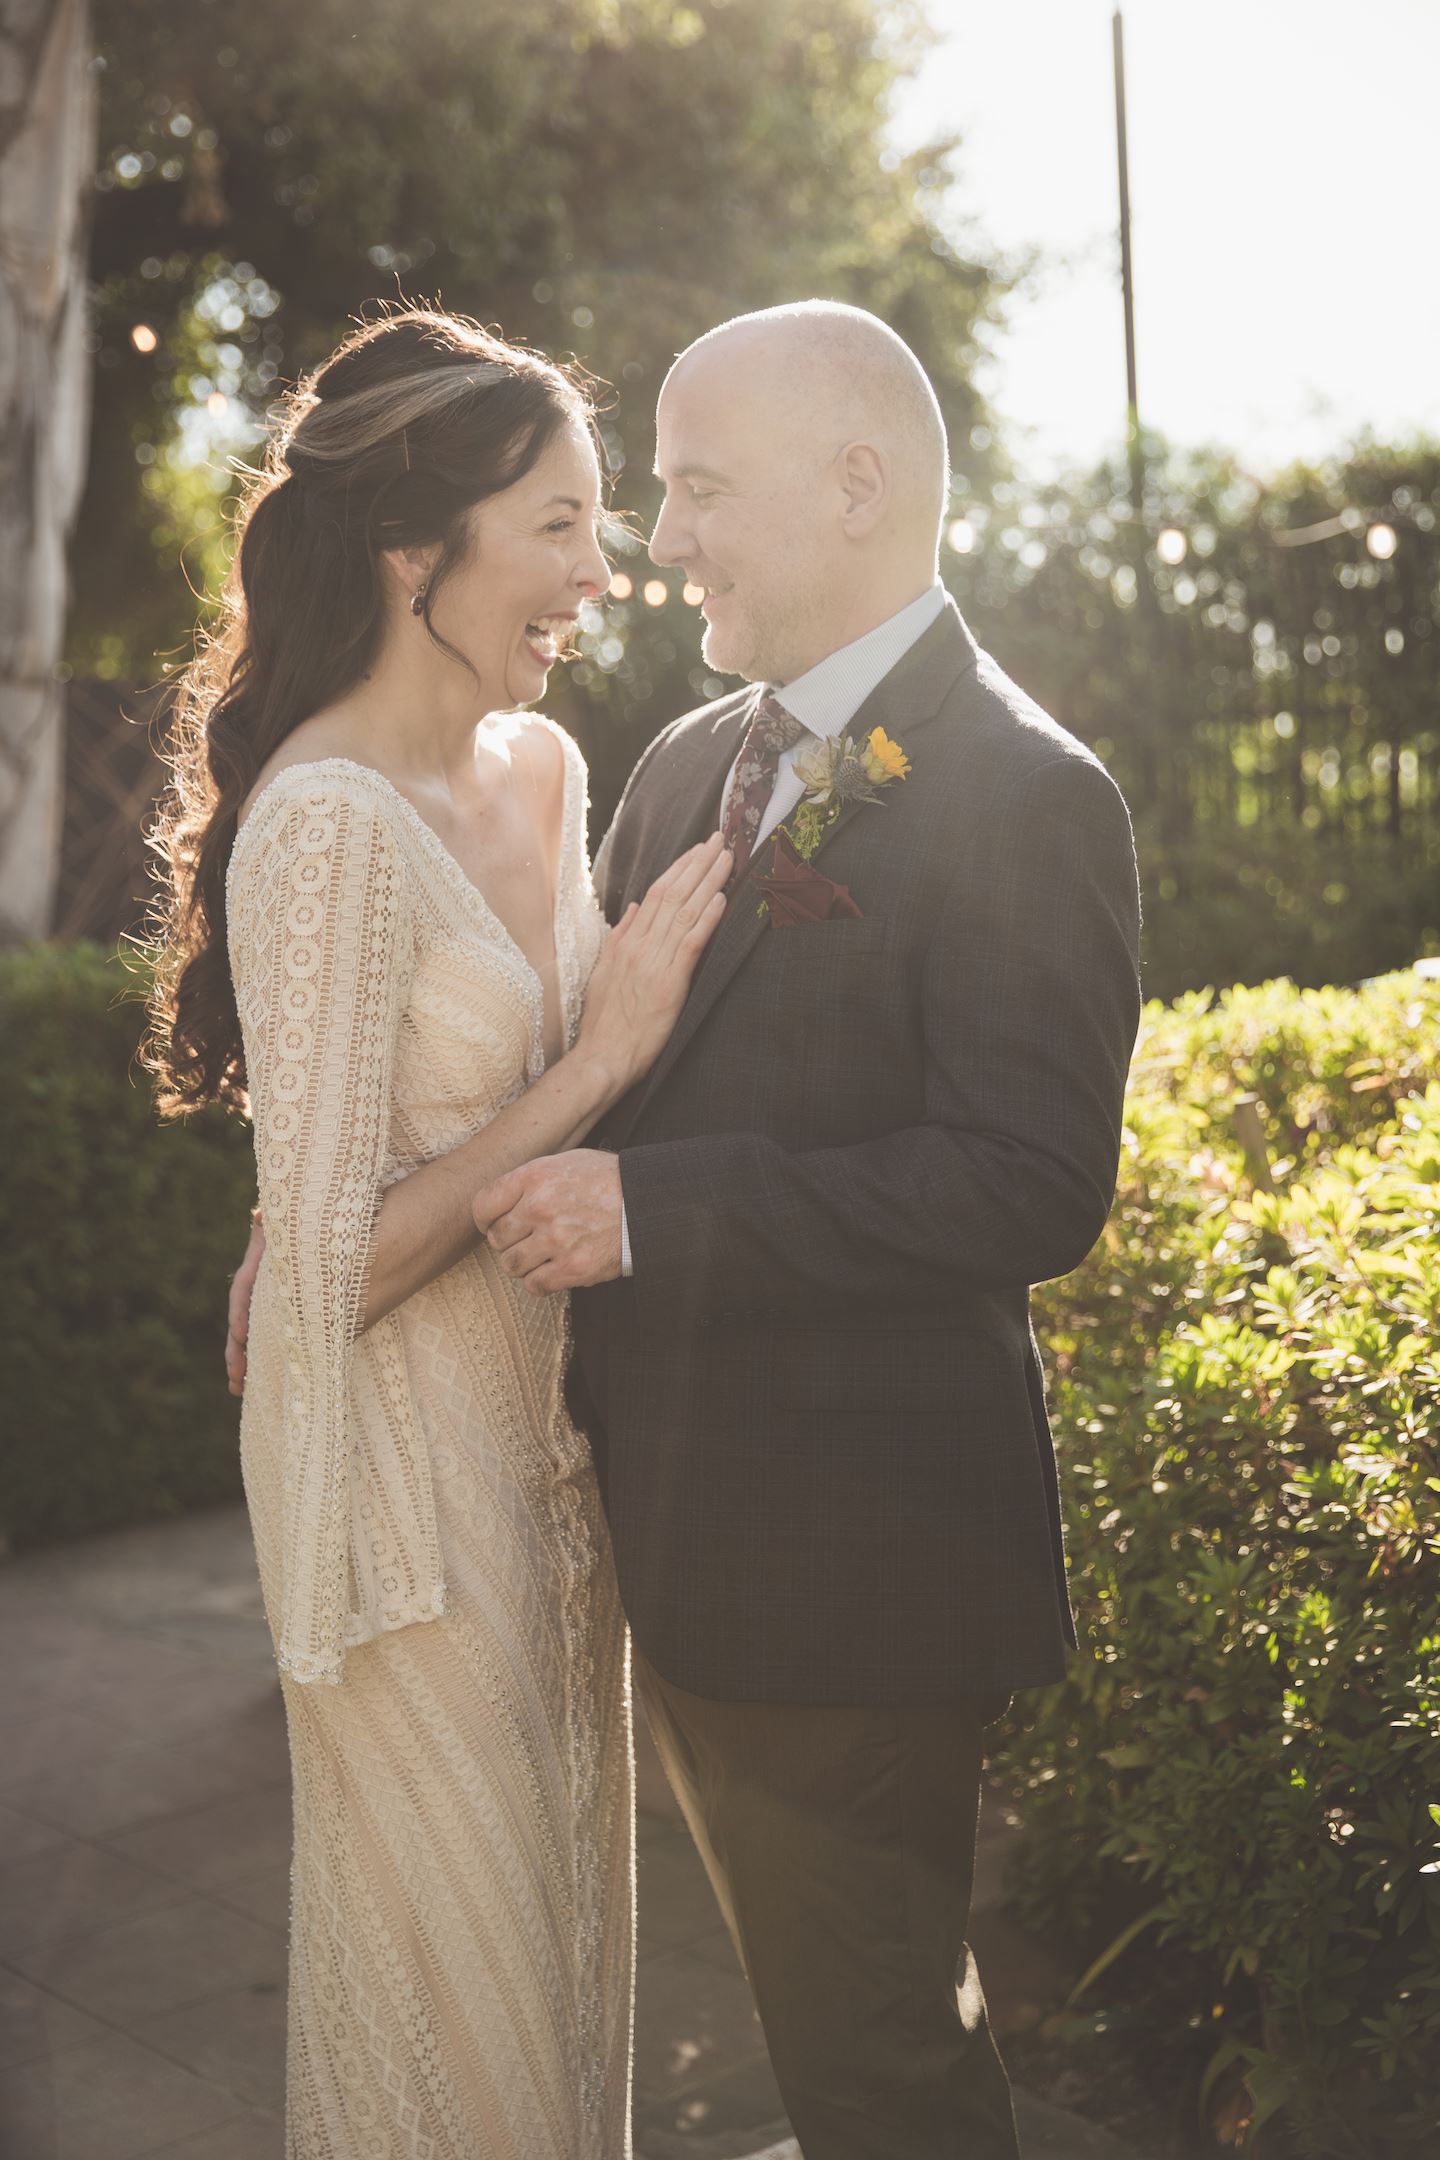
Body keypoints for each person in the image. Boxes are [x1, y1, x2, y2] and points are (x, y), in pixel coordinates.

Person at [473, 301, 1144, 2159]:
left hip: (860, 1573)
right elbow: (601, 1065)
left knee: (883, 2074)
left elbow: (1030, 1177)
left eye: (699, 489)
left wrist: (656, 1210)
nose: (662, 538)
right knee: (825, 2048)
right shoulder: (684, 763)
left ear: (857, 485)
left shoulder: (1030, 793)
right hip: (678, 1541)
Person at [151, 305, 731, 2158]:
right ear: (417, 548)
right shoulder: (323, 822)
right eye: (557, 525)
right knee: (457, 2004)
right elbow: (334, 1277)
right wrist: (602, 1059)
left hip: (558, 1454)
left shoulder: (545, 771)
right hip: (405, 1502)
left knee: (565, 1982)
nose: (600, 572)